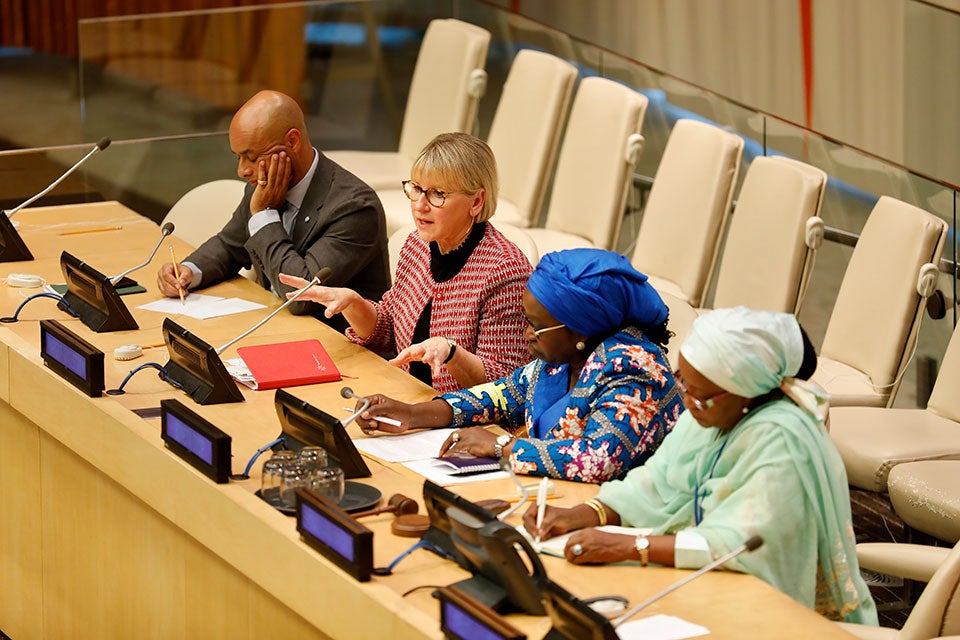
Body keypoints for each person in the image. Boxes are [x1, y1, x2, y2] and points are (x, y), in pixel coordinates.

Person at [524, 307, 877, 624]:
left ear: (747, 391)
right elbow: (656, 483)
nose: (689, 405)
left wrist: (631, 548)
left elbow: (740, 546)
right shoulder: (710, 412)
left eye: (700, 395)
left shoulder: (783, 441)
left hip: (775, 612)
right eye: (684, 386)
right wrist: (585, 513)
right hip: (704, 585)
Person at [352, 248, 684, 483]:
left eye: (537, 326)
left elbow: (598, 460)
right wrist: (412, 414)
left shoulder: (634, 371)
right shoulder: (561, 356)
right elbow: (500, 395)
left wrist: (501, 446)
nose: (527, 335)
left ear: (579, 327)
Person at [279, 132, 532, 393]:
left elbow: (505, 385)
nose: (420, 205)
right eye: (417, 189)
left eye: (438, 194)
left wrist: (450, 353)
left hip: (465, 420)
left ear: (476, 201)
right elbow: (390, 331)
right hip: (408, 395)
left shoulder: (505, 271)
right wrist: (353, 303)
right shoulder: (417, 245)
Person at [156, 90, 390, 330]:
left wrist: (263, 215)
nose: (242, 171)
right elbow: (230, 245)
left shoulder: (354, 207)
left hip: (340, 347)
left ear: (292, 141)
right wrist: (187, 272)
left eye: (252, 156)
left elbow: (301, 295)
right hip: (277, 328)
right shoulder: (264, 183)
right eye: (238, 157)